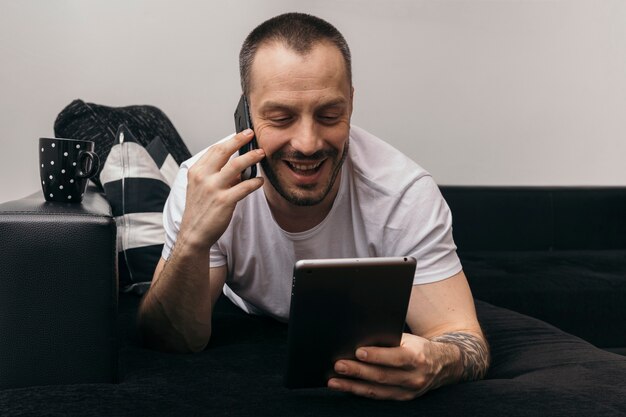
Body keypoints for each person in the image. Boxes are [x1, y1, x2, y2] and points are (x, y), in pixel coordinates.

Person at [138, 12, 490, 401]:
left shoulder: (403, 193)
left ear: (351, 104)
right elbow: (171, 339)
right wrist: (192, 240)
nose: (307, 143)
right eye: (281, 117)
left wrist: (439, 360)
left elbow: (464, 339)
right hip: (245, 310)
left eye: (329, 115)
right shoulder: (204, 184)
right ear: (247, 113)